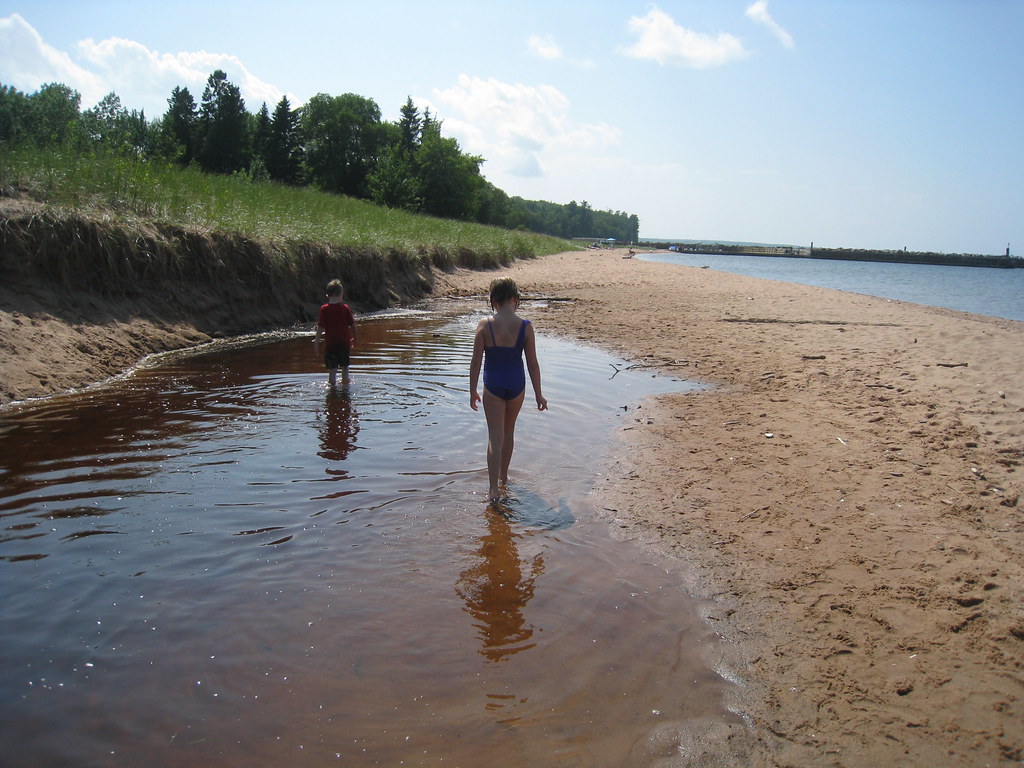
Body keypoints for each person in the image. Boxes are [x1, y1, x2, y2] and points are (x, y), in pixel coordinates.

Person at [469, 278, 548, 502]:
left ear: (493, 301)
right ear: (515, 299)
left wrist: (472, 390)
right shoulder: (525, 326)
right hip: (516, 385)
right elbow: (533, 364)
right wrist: (539, 394)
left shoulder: (484, 325)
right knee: (509, 432)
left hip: (493, 385)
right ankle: (504, 479)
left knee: (495, 437)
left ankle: (493, 489)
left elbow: (475, 362)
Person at [313, 279, 358, 389]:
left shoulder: (324, 309)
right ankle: (345, 387)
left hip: (331, 345)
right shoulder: (345, 308)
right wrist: (356, 338)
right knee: (345, 367)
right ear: (341, 294)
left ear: (327, 295)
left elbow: (320, 328)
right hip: (344, 344)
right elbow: (353, 325)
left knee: (332, 369)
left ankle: (332, 389)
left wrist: (316, 343)